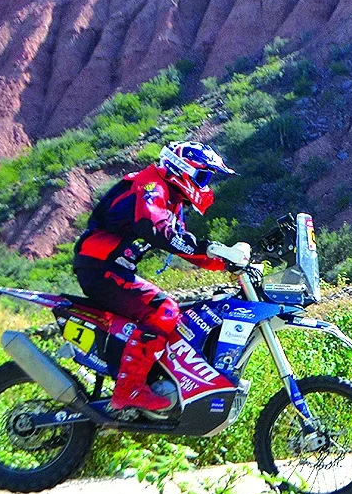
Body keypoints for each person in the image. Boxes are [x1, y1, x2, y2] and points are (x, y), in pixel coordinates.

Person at [73, 141, 249, 413]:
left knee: (178, 317)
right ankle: (129, 389)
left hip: (114, 268)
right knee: (164, 311)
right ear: (183, 169)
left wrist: (226, 263)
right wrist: (207, 248)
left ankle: (149, 380)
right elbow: (154, 229)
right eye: (203, 176)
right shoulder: (151, 186)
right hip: (100, 267)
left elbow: (181, 244)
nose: (205, 185)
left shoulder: (172, 198)